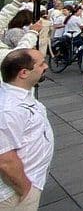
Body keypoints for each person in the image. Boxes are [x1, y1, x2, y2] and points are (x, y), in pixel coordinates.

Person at [0, 49, 53, 210]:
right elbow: (5, 160)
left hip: (29, 182)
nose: (46, 67)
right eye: (41, 64)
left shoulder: (21, 96)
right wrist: (26, 189)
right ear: (23, 73)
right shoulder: (8, 109)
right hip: (14, 193)